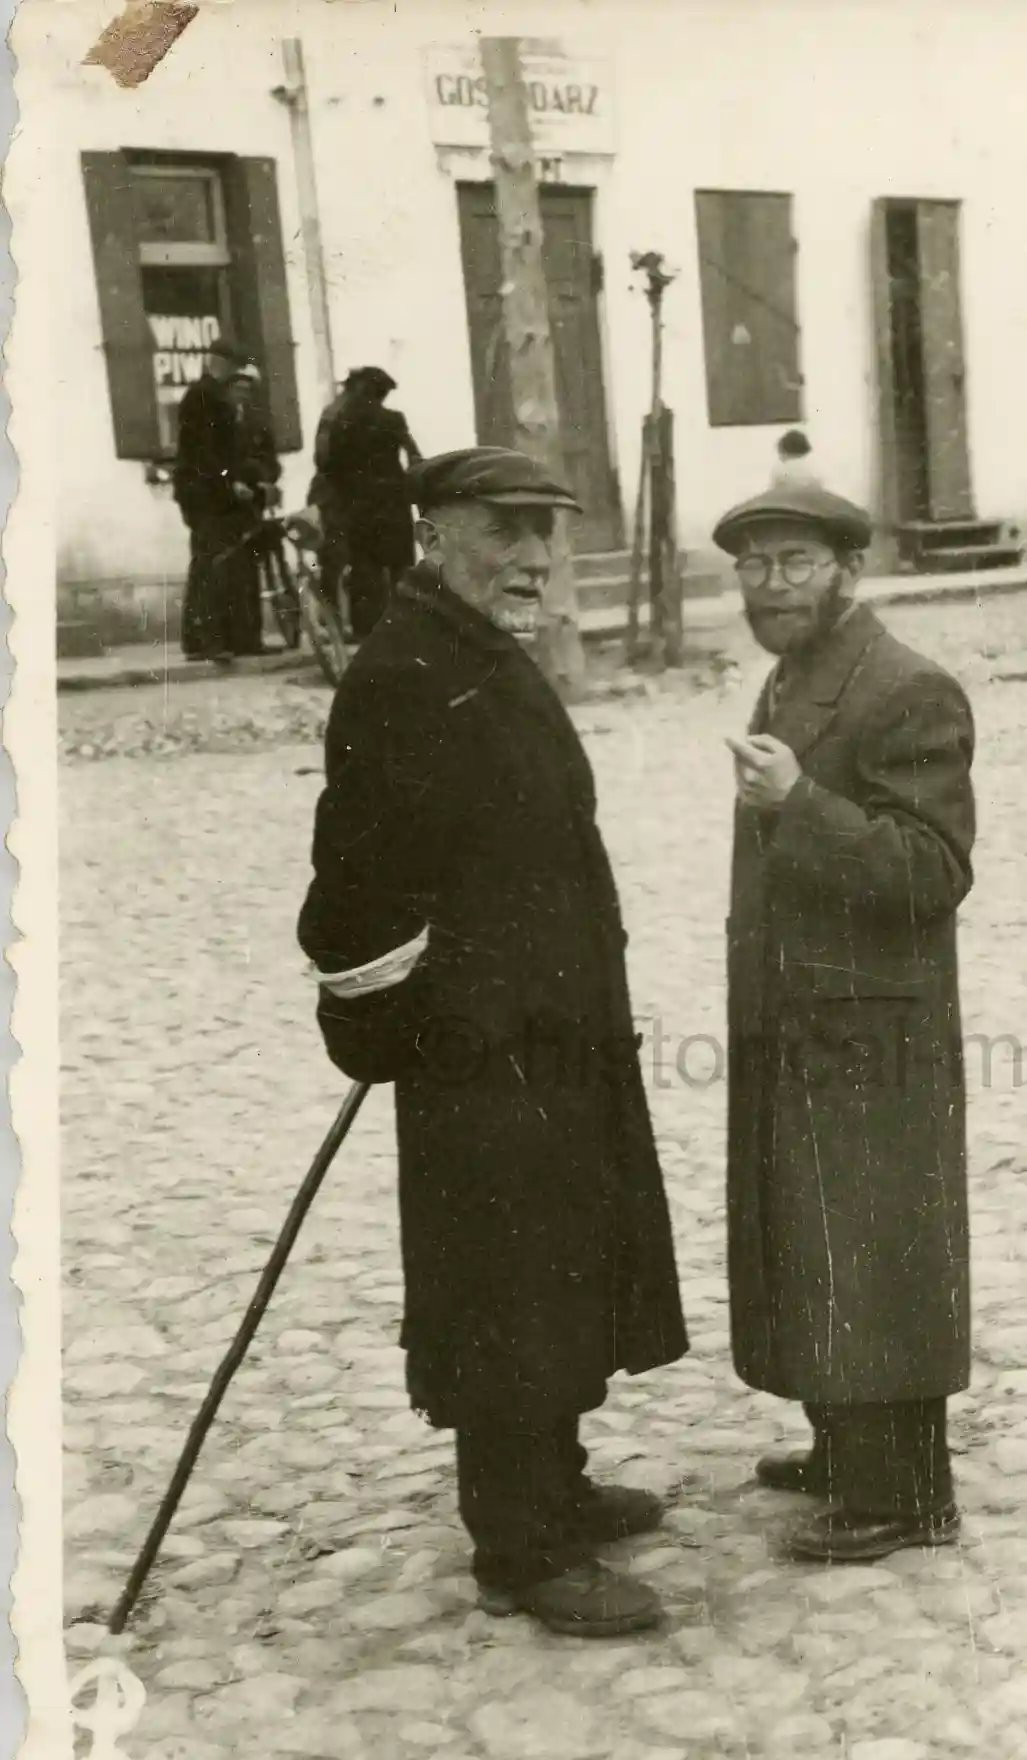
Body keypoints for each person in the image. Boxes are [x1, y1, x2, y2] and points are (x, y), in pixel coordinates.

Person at [298, 447, 691, 1636]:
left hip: (555, 1027)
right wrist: (402, 1026)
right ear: (436, 531)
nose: (531, 555)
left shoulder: (475, 648)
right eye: (503, 530)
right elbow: (353, 889)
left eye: (545, 532)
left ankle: (555, 1483)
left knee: (565, 1260)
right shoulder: (404, 672)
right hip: (482, 1047)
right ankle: (519, 1547)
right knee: (506, 1287)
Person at [715, 479, 977, 1562]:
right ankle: (842, 1445)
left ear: (848, 572)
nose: (769, 586)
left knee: (876, 1247)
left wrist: (800, 807)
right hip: (801, 1007)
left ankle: (904, 1494)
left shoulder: (907, 688)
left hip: (873, 1028)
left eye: (794, 565)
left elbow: (935, 870)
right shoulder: (796, 678)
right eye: (753, 568)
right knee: (813, 1237)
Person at [171, 339, 278, 661]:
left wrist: (245, 481)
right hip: (205, 495)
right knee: (211, 564)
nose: (235, 372)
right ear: (217, 362)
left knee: (231, 564)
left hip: (221, 495)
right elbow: (204, 453)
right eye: (232, 365)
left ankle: (238, 638)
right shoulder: (202, 397)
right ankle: (204, 641)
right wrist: (229, 483)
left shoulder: (220, 399)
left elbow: (230, 453)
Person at [308, 365, 424, 638]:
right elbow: (415, 456)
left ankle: (366, 628)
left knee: (364, 566)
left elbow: (326, 463)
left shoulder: (340, 420)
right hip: (393, 501)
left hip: (357, 503)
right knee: (399, 565)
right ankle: (403, 625)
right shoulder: (394, 419)